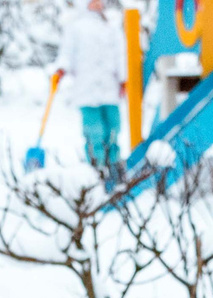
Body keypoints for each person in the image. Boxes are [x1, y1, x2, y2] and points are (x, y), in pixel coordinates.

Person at [57, 0, 128, 173]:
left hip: (109, 87)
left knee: (113, 128)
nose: (97, 4)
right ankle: (97, 167)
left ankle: (114, 164)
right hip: (86, 88)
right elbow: (67, 53)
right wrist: (61, 68)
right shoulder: (76, 27)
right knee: (94, 130)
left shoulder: (111, 26)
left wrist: (123, 77)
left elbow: (121, 54)